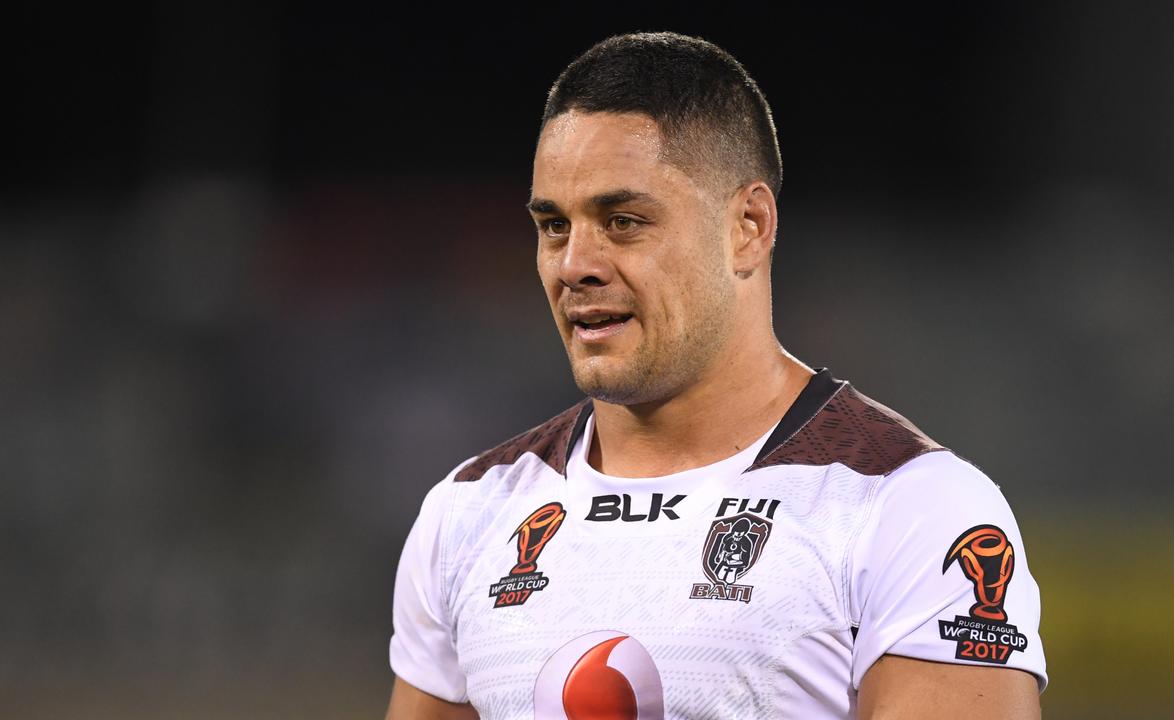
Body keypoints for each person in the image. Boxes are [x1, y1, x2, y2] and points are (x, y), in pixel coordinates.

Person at [385, 31, 1046, 720]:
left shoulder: (908, 509)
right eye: (554, 226)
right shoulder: (468, 515)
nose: (574, 264)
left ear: (749, 227)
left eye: (623, 220)